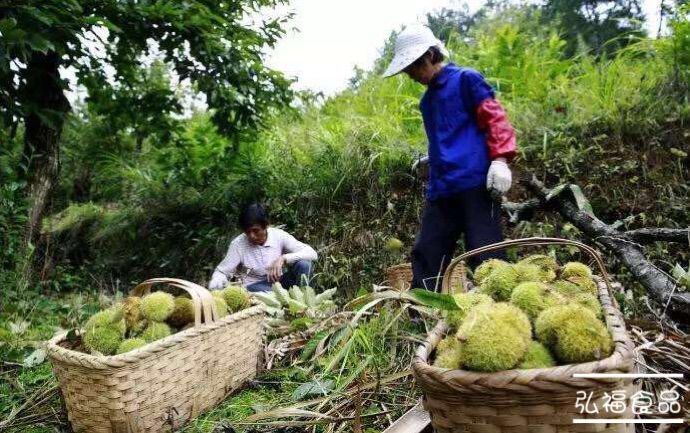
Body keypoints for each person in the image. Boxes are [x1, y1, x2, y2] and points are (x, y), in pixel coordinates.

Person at [383, 24, 517, 291]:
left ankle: (497, 309)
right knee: (428, 252)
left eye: (413, 66)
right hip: (442, 189)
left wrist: (501, 160)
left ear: (431, 55)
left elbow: (495, 119)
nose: (410, 74)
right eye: (406, 69)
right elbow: (445, 138)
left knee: (485, 251)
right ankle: (421, 311)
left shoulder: (466, 80)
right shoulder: (427, 102)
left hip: (476, 183)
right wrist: (431, 161)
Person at [208, 203, 318, 292]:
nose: (251, 236)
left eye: (256, 230)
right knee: (264, 292)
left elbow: (312, 253)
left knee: (304, 265)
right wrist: (215, 286)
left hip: (279, 282)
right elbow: (222, 272)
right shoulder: (238, 244)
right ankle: (289, 300)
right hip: (254, 286)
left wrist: (284, 258)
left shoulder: (279, 236)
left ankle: (306, 301)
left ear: (266, 226)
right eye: (247, 232)